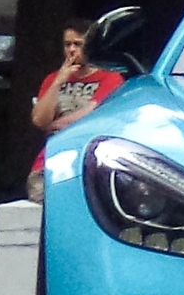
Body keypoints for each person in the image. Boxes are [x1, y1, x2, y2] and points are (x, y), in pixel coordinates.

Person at [28, 24, 125, 198]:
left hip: (88, 163)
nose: (72, 50)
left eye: (78, 44)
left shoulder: (111, 78)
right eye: (67, 44)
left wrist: (58, 124)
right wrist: (58, 81)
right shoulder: (52, 79)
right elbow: (39, 120)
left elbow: (92, 113)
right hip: (49, 163)